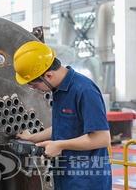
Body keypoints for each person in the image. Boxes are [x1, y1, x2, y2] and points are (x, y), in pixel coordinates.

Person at [13, 41, 112, 190]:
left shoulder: (84, 91)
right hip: (66, 177)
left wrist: (60, 144)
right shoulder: (59, 90)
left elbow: (102, 138)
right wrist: (32, 138)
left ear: (48, 75)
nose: (33, 88)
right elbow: (66, 127)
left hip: (87, 181)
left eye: (33, 84)